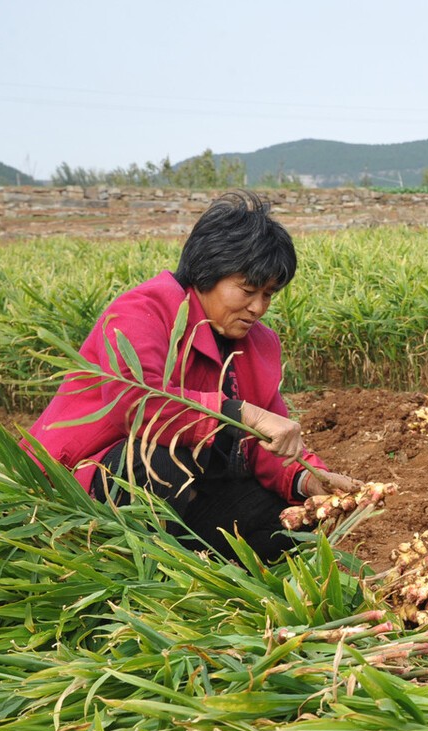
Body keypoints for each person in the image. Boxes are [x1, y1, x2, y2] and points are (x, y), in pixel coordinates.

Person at [29, 190, 359, 561]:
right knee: (160, 464)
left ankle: (195, 566)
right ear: (207, 273)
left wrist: (308, 479)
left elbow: (265, 443)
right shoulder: (142, 312)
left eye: (268, 294)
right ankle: (135, 570)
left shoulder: (258, 344)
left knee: (289, 527)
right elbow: (138, 405)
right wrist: (242, 414)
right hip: (86, 480)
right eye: (248, 291)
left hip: (195, 488)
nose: (258, 308)